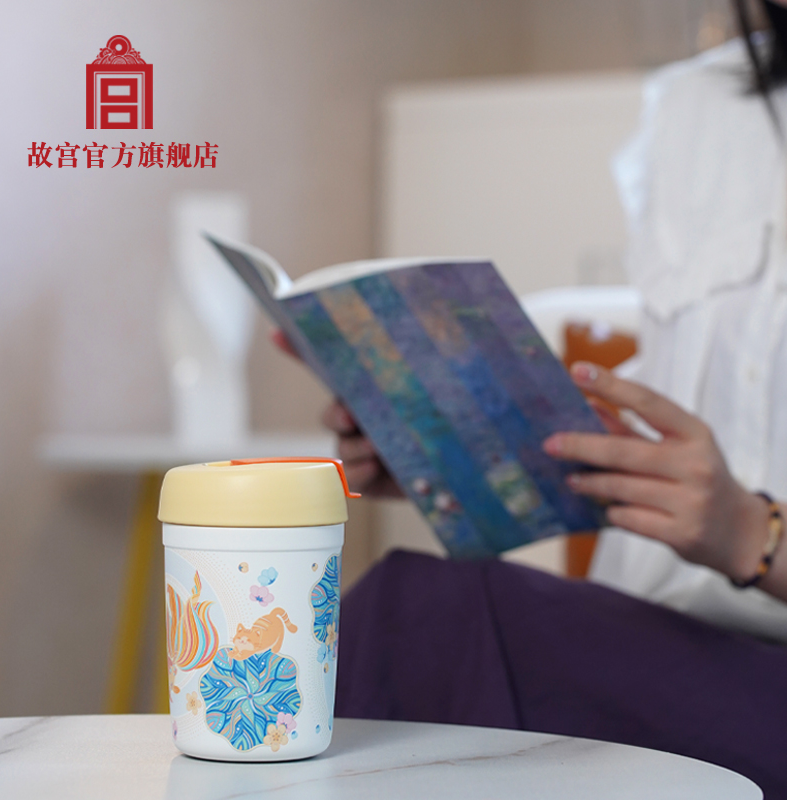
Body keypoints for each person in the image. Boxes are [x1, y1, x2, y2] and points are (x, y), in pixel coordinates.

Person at [274, 2, 787, 795]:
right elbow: (680, 417)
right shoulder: (698, 106)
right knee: (421, 624)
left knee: (425, 612)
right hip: (650, 637)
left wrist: (754, 535)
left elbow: (731, 505)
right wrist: (450, 448)